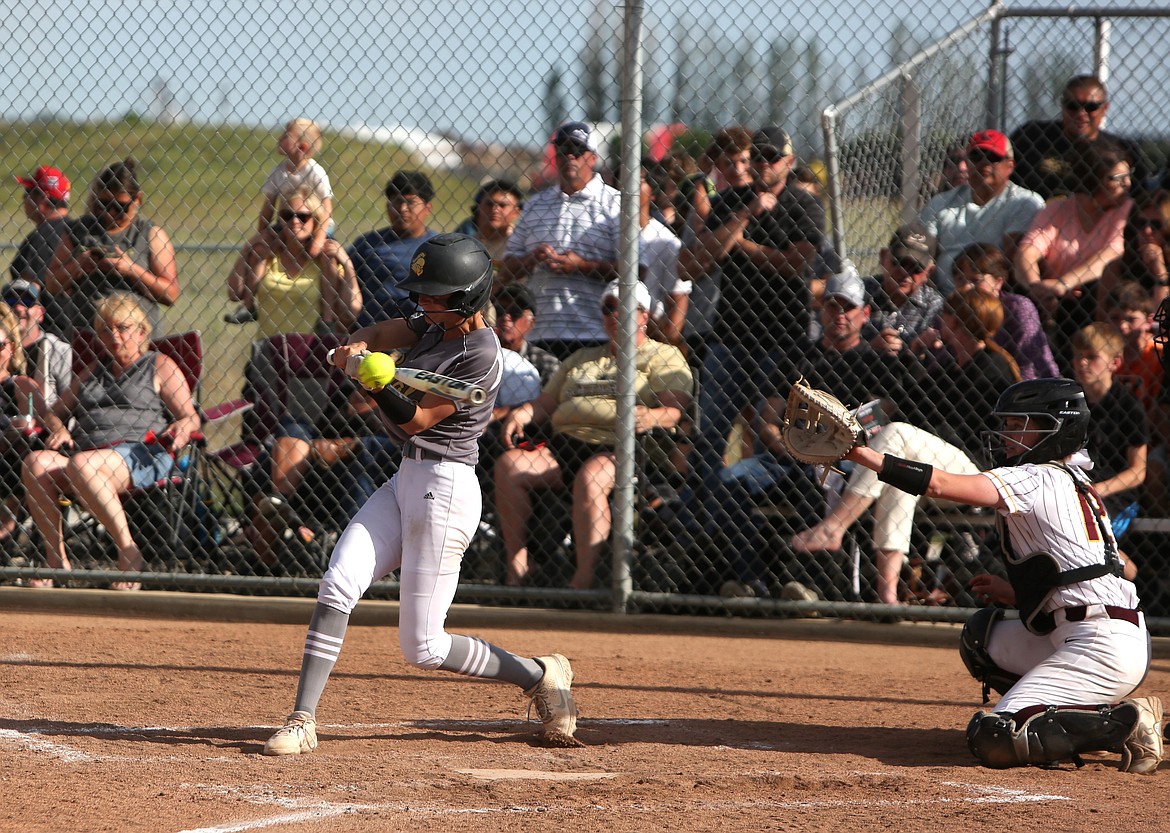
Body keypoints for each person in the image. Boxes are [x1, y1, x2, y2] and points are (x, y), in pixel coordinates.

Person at [261, 233, 583, 755]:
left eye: (434, 294)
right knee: (338, 582)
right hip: (405, 481)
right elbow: (386, 328)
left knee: (424, 647)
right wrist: (361, 344)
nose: (422, 302)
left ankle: (538, 674)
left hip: (447, 489)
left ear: (468, 298)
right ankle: (302, 719)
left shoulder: (480, 354)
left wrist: (376, 384)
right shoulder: (432, 323)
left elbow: (418, 420)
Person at [948, 378, 1161, 773]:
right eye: (1007, 425)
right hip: (1103, 633)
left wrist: (866, 458)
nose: (1007, 434)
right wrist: (1015, 592)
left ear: (1056, 429)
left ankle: (1123, 725)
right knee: (982, 637)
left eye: (1019, 425)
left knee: (994, 738)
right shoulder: (1076, 481)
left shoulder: (1041, 476)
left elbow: (942, 484)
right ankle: (1061, 713)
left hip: (1101, 643)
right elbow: (1118, 570)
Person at [793, 290, 1020, 607]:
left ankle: (834, 526)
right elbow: (913, 403)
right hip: (941, 463)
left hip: (976, 471)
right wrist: (913, 355)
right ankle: (888, 598)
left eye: (947, 317)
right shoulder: (951, 366)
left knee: (896, 433)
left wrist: (930, 421)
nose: (941, 322)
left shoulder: (991, 368)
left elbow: (962, 432)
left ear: (956, 322)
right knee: (897, 478)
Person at [716, 268, 920, 598]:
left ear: (865, 314)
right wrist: (785, 444)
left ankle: (813, 586)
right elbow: (768, 417)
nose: (839, 314)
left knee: (818, 480)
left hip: (843, 461)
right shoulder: (796, 357)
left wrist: (829, 447)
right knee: (728, 482)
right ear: (820, 310)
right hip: (787, 456)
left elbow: (881, 417)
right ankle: (750, 580)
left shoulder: (878, 364)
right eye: (832, 306)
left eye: (847, 307)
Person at [493, 279, 692, 589]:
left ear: (643, 315)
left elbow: (675, 411)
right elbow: (545, 403)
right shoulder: (582, 358)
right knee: (509, 467)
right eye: (607, 308)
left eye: (623, 307)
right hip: (565, 447)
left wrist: (651, 415)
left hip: (622, 447)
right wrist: (523, 413)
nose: (614, 314)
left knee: (590, 477)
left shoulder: (663, 356)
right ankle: (519, 565)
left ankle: (583, 579)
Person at [22, 294, 199, 590]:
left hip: (139, 453)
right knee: (35, 462)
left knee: (82, 464)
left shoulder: (159, 365)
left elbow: (190, 416)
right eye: (105, 329)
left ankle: (128, 551)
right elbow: (53, 414)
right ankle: (57, 561)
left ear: (142, 331)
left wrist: (181, 428)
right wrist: (59, 429)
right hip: (86, 455)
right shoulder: (94, 369)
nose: (113, 335)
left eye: (122, 327)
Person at [500, 121, 620, 360]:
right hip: (540, 334)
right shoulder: (535, 204)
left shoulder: (615, 203)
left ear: (593, 158)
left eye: (577, 150)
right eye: (563, 150)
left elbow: (633, 270)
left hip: (594, 334)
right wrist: (532, 259)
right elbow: (506, 270)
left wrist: (582, 266)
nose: (569, 157)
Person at [1015, 139, 1134, 365]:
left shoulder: (1126, 209)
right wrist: (1036, 287)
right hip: (1053, 301)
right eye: (1118, 179)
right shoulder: (1057, 210)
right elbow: (1027, 252)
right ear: (1093, 181)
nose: (1128, 183)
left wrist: (1062, 284)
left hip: (1092, 300)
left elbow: (1111, 254)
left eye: (1129, 175)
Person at [44, 159, 179, 337]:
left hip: (137, 342)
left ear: (137, 199)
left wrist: (131, 270)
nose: (111, 213)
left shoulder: (150, 234)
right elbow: (52, 284)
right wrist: (80, 264)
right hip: (89, 338)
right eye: (104, 204)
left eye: (120, 206)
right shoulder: (78, 231)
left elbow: (170, 294)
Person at [918, 130, 1044, 297]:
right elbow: (921, 254)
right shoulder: (942, 202)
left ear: (1010, 166)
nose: (984, 163)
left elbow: (1009, 264)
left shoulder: (1024, 202)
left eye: (993, 157)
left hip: (994, 299)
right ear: (968, 163)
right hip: (942, 298)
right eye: (977, 156)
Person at [226, 188, 360, 338]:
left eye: (303, 216)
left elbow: (351, 312)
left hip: (312, 352)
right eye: (287, 215)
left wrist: (348, 265)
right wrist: (247, 248)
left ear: (315, 219)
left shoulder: (326, 261)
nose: (294, 221)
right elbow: (234, 293)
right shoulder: (267, 256)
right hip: (269, 352)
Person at [1010, 74, 1149, 200]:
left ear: (1105, 108)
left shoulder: (1121, 149)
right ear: (1062, 106)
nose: (1081, 114)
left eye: (1091, 107)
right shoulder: (1032, 136)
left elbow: (1140, 199)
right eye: (1072, 105)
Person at [1070, 323, 1148, 527]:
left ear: (1115, 362)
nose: (1082, 362)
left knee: (1091, 529)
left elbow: (1138, 471)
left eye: (1092, 356)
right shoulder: (1069, 403)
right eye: (1078, 355)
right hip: (1074, 489)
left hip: (1116, 495)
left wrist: (1098, 489)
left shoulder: (1129, 406)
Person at [952, 243, 1059, 380]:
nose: (967, 287)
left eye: (976, 280)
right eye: (960, 279)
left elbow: (1032, 367)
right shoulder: (952, 310)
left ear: (998, 282)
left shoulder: (1018, 308)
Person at [349, 171, 438, 327]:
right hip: (370, 331)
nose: (403, 208)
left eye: (411, 202)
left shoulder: (438, 248)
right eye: (397, 201)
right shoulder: (369, 243)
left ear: (428, 207)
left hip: (420, 332)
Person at [255, 118, 333, 258]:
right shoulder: (278, 172)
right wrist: (262, 234)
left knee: (328, 255)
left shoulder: (315, 172)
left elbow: (327, 208)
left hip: (316, 224)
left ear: (302, 147)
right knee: (261, 252)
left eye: (286, 136)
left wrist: (319, 239)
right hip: (286, 223)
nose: (279, 138)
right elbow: (268, 206)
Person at [865, 224, 945, 356]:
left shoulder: (934, 305)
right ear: (883, 257)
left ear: (929, 272)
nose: (905, 272)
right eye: (898, 262)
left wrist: (914, 349)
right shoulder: (861, 291)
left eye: (916, 268)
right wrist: (868, 348)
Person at [11, 165, 72, 334]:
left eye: (28, 192)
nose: (24, 198)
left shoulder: (40, 239)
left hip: (45, 335)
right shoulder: (77, 232)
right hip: (80, 333)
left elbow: (24, 297)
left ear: (42, 199)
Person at [0, 308, 41, 544]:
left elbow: (42, 419)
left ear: (12, 348)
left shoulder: (20, 384)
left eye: (0, 345)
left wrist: (23, 423)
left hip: (9, 455)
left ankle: (10, 515)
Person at [1098, 189, 1170, 314]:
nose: (1147, 231)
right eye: (1141, 223)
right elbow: (1103, 322)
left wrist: (1161, 274)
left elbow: (1162, 323)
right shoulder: (1116, 268)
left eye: (1156, 224)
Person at [2, 279, 72, 406]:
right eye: (11, 302)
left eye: (27, 302)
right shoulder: (2, 350)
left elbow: (69, 402)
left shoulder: (58, 350)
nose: (18, 308)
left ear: (40, 313)